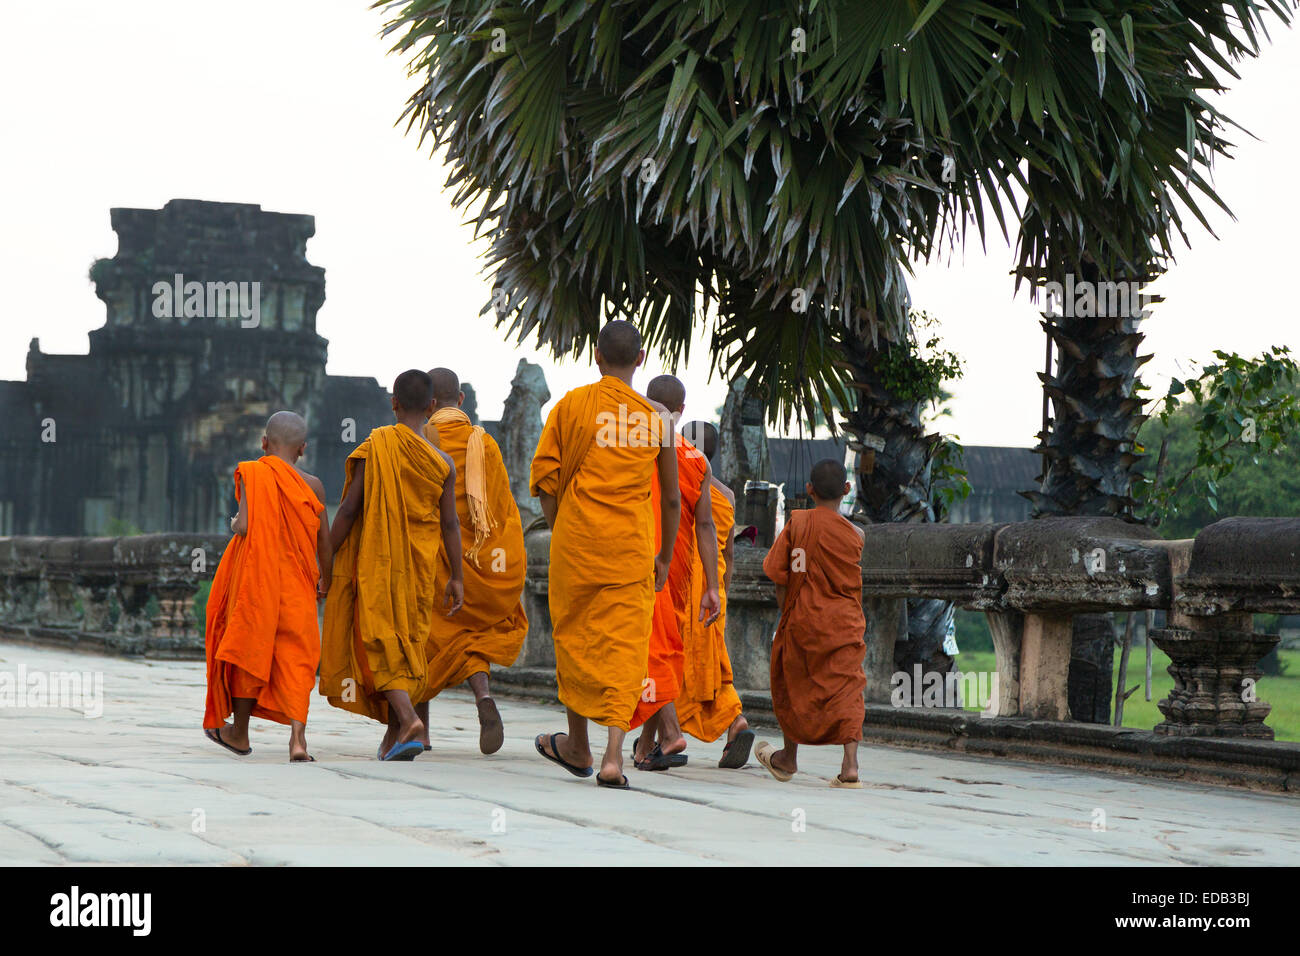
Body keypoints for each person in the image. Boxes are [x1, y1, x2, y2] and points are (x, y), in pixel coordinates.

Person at [529, 320, 681, 789]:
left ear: (596, 357)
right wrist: (664, 556)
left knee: (574, 638)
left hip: (577, 545)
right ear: (640, 360)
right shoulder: (657, 419)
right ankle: (613, 755)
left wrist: (564, 530)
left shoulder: (571, 406)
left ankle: (578, 744)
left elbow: (547, 480)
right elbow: (673, 500)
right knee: (624, 649)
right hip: (631, 550)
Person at [318, 369, 465, 761]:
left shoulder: (377, 445)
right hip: (421, 567)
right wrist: (457, 577)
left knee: (379, 640)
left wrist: (326, 561)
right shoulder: (443, 463)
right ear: (432, 407)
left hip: (379, 562)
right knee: (409, 641)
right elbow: (451, 523)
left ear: (393, 403)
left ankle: (409, 717)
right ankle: (396, 736)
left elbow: (348, 510)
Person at [203, 411, 331, 762]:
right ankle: (298, 741)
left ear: (264, 443)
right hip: (298, 585)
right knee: (298, 658)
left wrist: (233, 521)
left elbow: (243, 525)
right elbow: (325, 542)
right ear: (302, 449)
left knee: (251, 650)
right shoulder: (314, 485)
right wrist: (327, 578)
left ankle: (240, 733)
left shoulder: (255, 473)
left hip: (259, 583)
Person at [415, 367, 527, 755]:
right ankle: (482, 697)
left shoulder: (420, 440)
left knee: (424, 635)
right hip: (480, 566)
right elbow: (503, 511)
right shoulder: (485, 443)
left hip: (435, 561)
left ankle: (420, 731)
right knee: (471, 634)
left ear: (428, 403)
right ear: (460, 401)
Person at [757, 458, 866, 788]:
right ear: (846, 490)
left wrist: (787, 611)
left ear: (808, 490)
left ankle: (789, 757)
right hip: (845, 623)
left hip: (803, 620)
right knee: (848, 688)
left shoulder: (798, 524)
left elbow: (780, 573)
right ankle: (849, 766)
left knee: (795, 683)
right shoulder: (856, 535)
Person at [629, 379, 720, 772]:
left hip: (645, 562)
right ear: (682, 410)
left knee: (648, 650)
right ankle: (647, 745)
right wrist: (713, 587)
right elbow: (705, 526)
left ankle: (669, 732)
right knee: (662, 648)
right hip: (679, 572)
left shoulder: (639, 447)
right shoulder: (697, 460)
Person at [675, 420, 753, 768]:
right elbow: (730, 554)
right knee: (715, 662)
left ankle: (664, 734)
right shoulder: (727, 495)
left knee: (676, 658)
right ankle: (735, 721)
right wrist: (722, 591)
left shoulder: (675, 482)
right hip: (713, 585)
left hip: (683, 584)